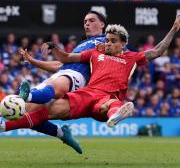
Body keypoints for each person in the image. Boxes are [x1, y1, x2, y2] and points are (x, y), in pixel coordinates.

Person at [1, 15, 179, 152]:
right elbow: (67, 58)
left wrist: (173, 29)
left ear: (123, 44)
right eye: (107, 40)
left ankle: (116, 114)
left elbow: (157, 51)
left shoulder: (132, 57)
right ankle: (8, 124)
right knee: (45, 113)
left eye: (113, 41)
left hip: (107, 97)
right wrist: (54, 47)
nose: (108, 43)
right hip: (86, 94)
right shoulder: (94, 53)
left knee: (110, 104)